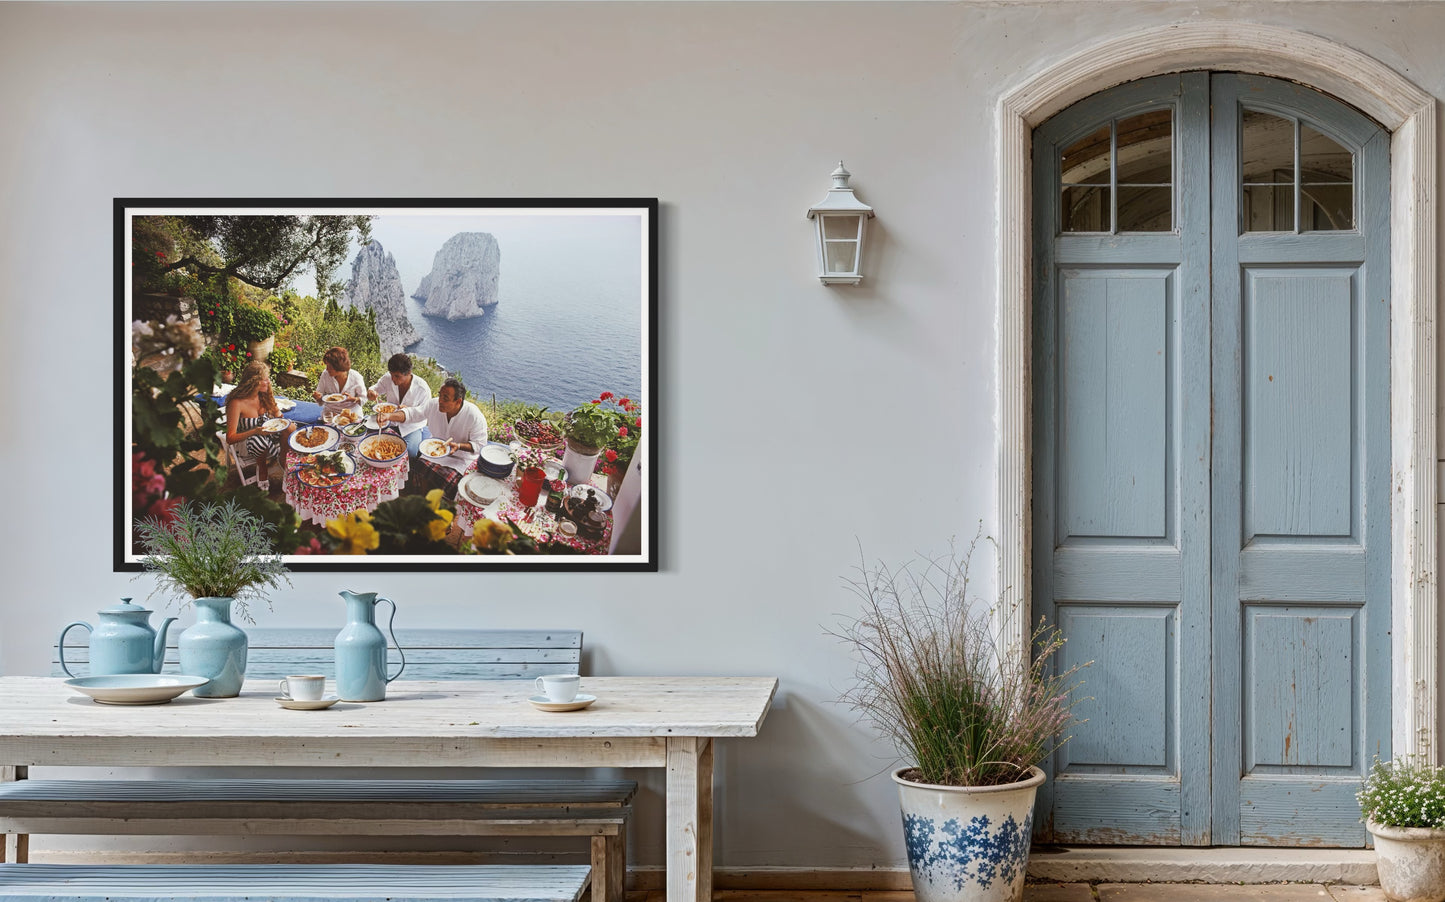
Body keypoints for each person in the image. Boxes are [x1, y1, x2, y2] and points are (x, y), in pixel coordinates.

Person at [384, 377, 487, 499]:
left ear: (458, 401)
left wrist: (459, 446)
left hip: (461, 459)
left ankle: (444, 503)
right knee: (418, 467)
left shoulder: (474, 415)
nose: (440, 401)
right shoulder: (433, 405)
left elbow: (480, 445)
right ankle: (423, 498)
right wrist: (388, 416)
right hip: (434, 452)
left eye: (445, 398)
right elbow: (412, 414)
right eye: (440, 395)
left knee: (450, 482)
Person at [224, 361, 295, 491]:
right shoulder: (237, 403)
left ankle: (283, 459)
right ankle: (263, 469)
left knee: (291, 427)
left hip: (265, 434)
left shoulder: (263, 395)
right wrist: (255, 431)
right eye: (265, 379)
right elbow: (230, 438)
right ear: (254, 382)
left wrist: (279, 417)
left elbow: (279, 416)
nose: (269, 382)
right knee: (259, 441)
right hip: (245, 441)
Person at [367, 352, 433, 457]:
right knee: (372, 440)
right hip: (390, 422)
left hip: (411, 426)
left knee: (410, 451)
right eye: (391, 375)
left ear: (409, 373)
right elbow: (375, 388)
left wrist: (407, 411)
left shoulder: (422, 389)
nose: (393, 379)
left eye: (397, 376)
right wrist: (371, 393)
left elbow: (423, 414)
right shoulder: (388, 378)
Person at [312, 346, 366, 419]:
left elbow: (364, 399)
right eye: (326, 366)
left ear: (338, 366)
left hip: (351, 414)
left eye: (330, 367)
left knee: (349, 426)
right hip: (331, 413)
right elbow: (320, 397)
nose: (327, 369)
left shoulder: (356, 377)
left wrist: (352, 399)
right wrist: (318, 397)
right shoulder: (325, 374)